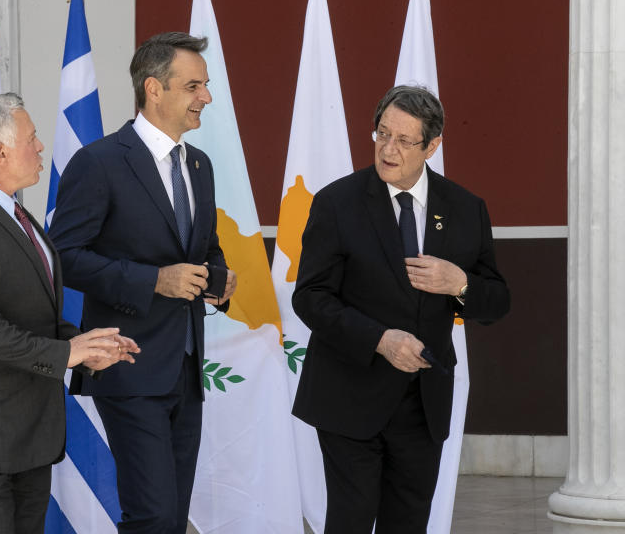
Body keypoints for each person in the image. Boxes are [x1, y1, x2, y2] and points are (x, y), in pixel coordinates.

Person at [0, 92, 139, 534]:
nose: (40, 148)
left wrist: (86, 346)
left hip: (25, 438)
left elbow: (32, 311)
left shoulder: (14, 214)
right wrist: (64, 354)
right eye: (32, 138)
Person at [291, 85, 510, 533]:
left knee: (408, 523)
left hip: (421, 402)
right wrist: (379, 339)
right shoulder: (337, 203)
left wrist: (461, 283)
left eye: (404, 141)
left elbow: (497, 301)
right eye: (382, 134)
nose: (388, 149)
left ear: (433, 145)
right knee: (350, 521)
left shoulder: (466, 209)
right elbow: (310, 297)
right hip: (349, 394)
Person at [49, 32, 237, 533]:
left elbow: (201, 248)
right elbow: (63, 257)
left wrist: (217, 276)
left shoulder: (199, 165)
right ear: (154, 89)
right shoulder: (99, 163)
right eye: (194, 86)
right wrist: (154, 281)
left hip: (187, 369)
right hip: (128, 366)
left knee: (171, 517)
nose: (207, 98)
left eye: (206, 85)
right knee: (152, 515)